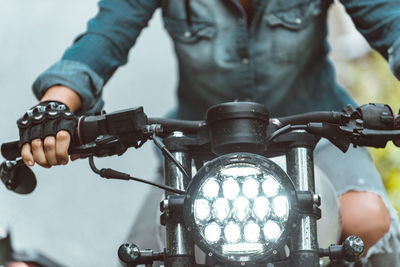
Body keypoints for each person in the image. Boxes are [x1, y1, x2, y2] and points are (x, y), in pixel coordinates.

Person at [15, 0, 400, 266]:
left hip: (315, 136)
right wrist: (56, 107)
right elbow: (105, 37)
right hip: (198, 145)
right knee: (140, 257)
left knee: (367, 220)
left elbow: (389, 21)